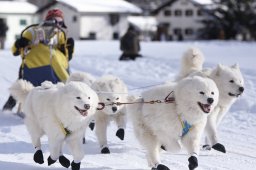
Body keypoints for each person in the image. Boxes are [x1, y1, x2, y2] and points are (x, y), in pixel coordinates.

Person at [2, 9, 74, 112]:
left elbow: (64, 58)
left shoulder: (61, 35)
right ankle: (7, 110)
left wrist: (69, 51)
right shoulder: (33, 31)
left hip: (51, 68)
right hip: (31, 66)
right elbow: (15, 51)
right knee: (22, 87)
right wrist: (20, 43)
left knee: (56, 88)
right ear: (47, 21)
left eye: (60, 22)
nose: (57, 24)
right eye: (54, 21)